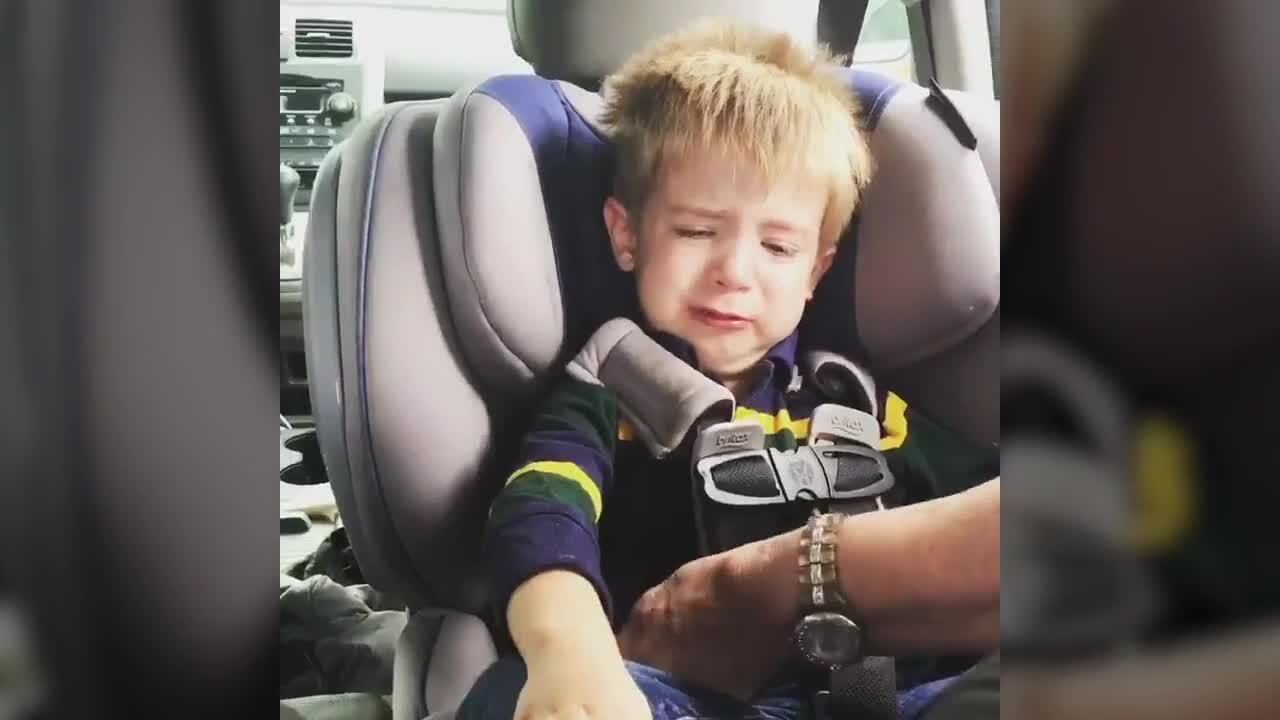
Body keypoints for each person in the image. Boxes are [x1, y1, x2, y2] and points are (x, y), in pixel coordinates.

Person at [454, 20, 998, 720]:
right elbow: (539, 514)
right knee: (509, 694)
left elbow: (988, 515)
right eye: (696, 231)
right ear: (627, 235)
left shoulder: (861, 405)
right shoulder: (607, 392)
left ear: (817, 271)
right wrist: (570, 656)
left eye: (777, 246)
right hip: (682, 698)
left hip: (888, 702)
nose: (734, 273)